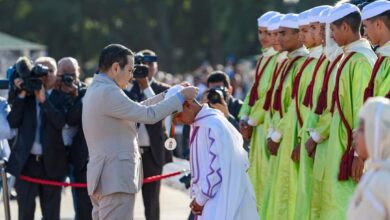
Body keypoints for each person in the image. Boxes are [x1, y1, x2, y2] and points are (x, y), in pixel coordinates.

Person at [82, 44, 198, 220]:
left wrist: (170, 94)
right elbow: (147, 115)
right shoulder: (108, 91)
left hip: (107, 178)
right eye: (129, 70)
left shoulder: (99, 88)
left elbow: (136, 110)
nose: (131, 77)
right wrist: (180, 97)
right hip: (115, 180)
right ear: (115, 67)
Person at [310, 3, 377, 219]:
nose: (330, 35)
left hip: (350, 149)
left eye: (333, 30)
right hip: (339, 147)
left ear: (346, 28)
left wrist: (359, 154)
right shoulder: (348, 58)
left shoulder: (361, 61)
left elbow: (362, 110)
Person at [167, 85, 259, 220]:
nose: (178, 121)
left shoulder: (212, 125)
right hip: (210, 200)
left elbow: (215, 170)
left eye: (178, 116)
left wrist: (201, 199)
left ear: (188, 104)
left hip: (220, 200)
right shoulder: (200, 123)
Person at [7, 56, 69, 220]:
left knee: (51, 215)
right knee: (25, 214)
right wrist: (20, 94)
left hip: (52, 165)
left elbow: (60, 122)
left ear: (56, 74)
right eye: (42, 70)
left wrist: (43, 101)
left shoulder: (60, 96)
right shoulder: (25, 95)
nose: (46, 74)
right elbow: (13, 121)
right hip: (26, 164)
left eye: (50, 71)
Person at [264, 13, 309, 220]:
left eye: (283, 34)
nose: (277, 38)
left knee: (289, 193)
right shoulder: (287, 62)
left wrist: (277, 133)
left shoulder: (302, 63)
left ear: (299, 35)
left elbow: (295, 106)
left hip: (291, 136)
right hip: (281, 136)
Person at [239, 11, 281, 211]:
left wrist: (252, 121)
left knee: (267, 181)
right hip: (257, 129)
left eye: (270, 33)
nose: (265, 37)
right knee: (257, 180)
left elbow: (270, 97)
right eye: (261, 32)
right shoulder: (264, 58)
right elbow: (253, 93)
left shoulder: (279, 60)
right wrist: (244, 117)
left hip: (268, 127)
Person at [124, 49, 172, 220]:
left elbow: (162, 110)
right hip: (129, 153)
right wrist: (132, 82)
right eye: (141, 64)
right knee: (125, 201)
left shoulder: (162, 89)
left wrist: (146, 87)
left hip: (152, 153)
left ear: (156, 67)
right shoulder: (126, 87)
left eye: (150, 63)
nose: (146, 67)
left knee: (152, 203)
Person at [293, 6, 331, 220]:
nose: (305, 35)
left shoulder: (328, 62)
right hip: (308, 136)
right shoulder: (312, 62)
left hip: (322, 140)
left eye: (312, 29)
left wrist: (315, 136)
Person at [58, 57, 92, 220]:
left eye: (71, 73)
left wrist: (76, 96)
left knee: (82, 204)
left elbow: (72, 119)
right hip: (54, 153)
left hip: (79, 156)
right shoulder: (51, 92)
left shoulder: (86, 92)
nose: (68, 77)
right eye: (63, 73)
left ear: (78, 73)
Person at [347, 97, 390, 220]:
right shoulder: (375, 173)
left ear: (377, 133)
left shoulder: (379, 182)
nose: (355, 134)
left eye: (361, 129)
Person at [362, 0, 390, 100]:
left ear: (378, 24)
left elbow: (383, 105)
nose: (364, 34)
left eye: (365, 26)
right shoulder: (384, 55)